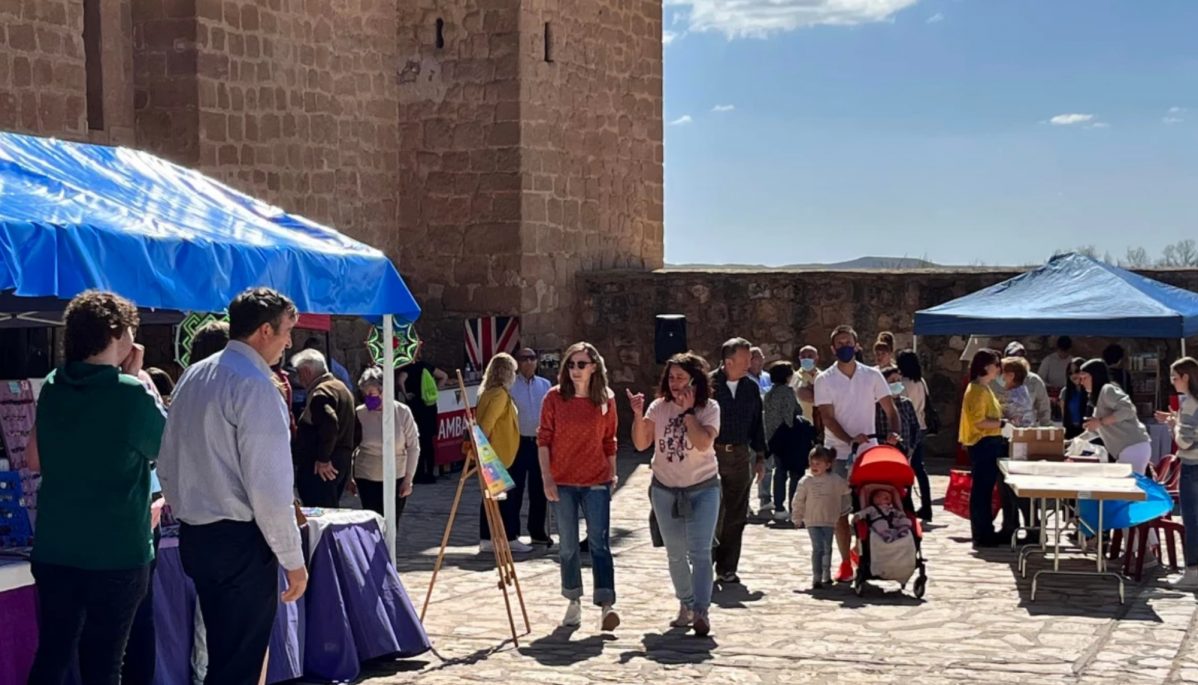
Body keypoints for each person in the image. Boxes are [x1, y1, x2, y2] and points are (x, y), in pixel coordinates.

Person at [159, 287, 308, 685]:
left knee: (224, 660)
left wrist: (188, 505)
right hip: (239, 540)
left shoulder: (195, 374)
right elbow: (270, 486)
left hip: (200, 535)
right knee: (238, 666)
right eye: (286, 332)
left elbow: (168, 462)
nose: (289, 342)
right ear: (263, 330)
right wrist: (293, 560)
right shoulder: (256, 385)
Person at [26, 291, 167, 685]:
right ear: (116, 334)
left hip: (55, 547)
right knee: (105, 664)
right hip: (116, 550)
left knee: (52, 654)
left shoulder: (54, 384)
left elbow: (34, 459)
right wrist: (138, 378)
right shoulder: (130, 392)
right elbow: (167, 448)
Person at [628, 352, 721, 636]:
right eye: (671, 377)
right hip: (665, 489)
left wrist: (689, 412)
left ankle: (701, 610)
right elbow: (642, 443)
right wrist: (637, 414)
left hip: (703, 488)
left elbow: (703, 443)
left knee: (701, 552)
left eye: (681, 377)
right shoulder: (659, 406)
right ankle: (687, 604)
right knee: (676, 554)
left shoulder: (710, 408)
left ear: (696, 379)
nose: (675, 382)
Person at [538, 342, 620, 631]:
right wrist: (547, 477)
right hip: (563, 482)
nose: (575, 370)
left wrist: (612, 473)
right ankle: (573, 600)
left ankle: (606, 604)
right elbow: (544, 439)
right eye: (571, 365)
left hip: (596, 480)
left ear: (594, 367)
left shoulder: (605, 399)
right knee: (568, 546)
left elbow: (609, 439)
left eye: (581, 365)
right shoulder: (554, 398)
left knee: (599, 543)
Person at [814, 325, 900, 582]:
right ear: (833, 349)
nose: (844, 346)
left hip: (869, 452)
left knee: (874, 505)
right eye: (839, 343)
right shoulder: (824, 379)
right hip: (837, 454)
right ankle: (844, 563)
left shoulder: (872, 376)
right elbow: (827, 417)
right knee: (841, 511)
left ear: (857, 345)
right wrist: (850, 439)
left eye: (848, 342)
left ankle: (868, 554)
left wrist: (894, 434)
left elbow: (890, 409)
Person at [709, 338, 767, 585]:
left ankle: (727, 567)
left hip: (741, 455)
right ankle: (704, 561)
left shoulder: (750, 388)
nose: (749, 364)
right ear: (728, 361)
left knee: (736, 513)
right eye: (744, 360)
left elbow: (757, 424)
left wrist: (761, 457)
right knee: (712, 511)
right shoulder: (707, 385)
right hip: (710, 455)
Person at [474, 353, 533, 554]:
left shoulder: (486, 392)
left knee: (492, 497)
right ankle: (508, 537)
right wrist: (487, 451)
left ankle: (487, 537)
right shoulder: (499, 394)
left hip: (495, 453)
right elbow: (487, 424)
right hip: (499, 454)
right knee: (506, 498)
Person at [960, 348, 1018, 548]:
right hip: (984, 443)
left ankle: (986, 531)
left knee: (984, 491)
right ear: (986, 367)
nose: (998, 369)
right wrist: (1002, 424)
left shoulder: (984, 388)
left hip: (990, 442)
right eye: (996, 364)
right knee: (982, 491)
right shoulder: (977, 390)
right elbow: (980, 422)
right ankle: (983, 533)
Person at [350, 366, 420, 521]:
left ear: (384, 391)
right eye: (365, 394)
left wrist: (408, 480)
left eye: (372, 393)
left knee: (392, 524)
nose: (368, 398)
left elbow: (413, 447)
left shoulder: (402, 412)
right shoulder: (360, 413)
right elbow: (351, 445)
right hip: (367, 476)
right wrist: (349, 476)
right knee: (373, 523)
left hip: (396, 477)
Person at [291, 348, 358, 508]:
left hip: (321, 468)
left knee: (321, 513)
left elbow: (330, 423)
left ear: (307, 372)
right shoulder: (342, 389)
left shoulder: (320, 393)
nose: (299, 380)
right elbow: (357, 429)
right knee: (330, 509)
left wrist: (323, 459)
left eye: (299, 374)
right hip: (339, 462)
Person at [1157, 357, 1198, 589]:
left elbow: (1184, 442)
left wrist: (1174, 426)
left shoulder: (1191, 404)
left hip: (1192, 466)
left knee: (1191, 520)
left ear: (1186, 378)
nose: (1172, 382)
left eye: (1175, 377)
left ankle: (1192, 571)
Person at [1078, 360, 1152, 475]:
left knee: (1129, 489)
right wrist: (1070, 442)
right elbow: (1095, 431)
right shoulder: (1099, 397)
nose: (1081, 382)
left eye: (1084, 378)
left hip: (1133, 447)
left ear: (1095, 376)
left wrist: (1101, 421)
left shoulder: (1108, 389)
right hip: (1128, 449)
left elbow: (1128, 410)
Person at [790, 446, 849, 589]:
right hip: (812, 520)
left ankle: (826, 575)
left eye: (818, 464)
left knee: (827, 547)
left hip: (829, 520)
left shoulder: (835, 480)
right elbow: (798, 500)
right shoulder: (806, 481)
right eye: (812, 463)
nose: (814, 467)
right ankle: (817, 576)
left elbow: (847, 490)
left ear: (828, 465)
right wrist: (797, 518)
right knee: (818, 548)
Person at [511, 348, 553, 546]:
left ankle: (537, 531)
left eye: (532, 358)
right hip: (518, 443)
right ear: (517, 362)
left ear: (537, 361)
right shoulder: (510, 386)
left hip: (539, 443)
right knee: (515, 488)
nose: (528, 362)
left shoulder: (545, 385)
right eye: (523, 359)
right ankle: (513, 532)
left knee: (539, 488)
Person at [764, 362, 815, 522]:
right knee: (794, 473)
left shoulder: (769, 393)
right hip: (789, 437)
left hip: (774, 438)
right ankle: (794, 507)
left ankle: (779, 506)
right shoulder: (786, 392)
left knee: (779, 472)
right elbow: (789, 416)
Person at [398, 343, 449, 484]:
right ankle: (430, 473)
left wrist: (405, 394)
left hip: (415, 406)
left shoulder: (407, 368)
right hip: (429, 406)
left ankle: (418, 473)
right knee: (429, 442)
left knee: (416, 440)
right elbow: (444, 376)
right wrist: (434, 391)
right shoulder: (427, 366)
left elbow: (400, 381)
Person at [896, 350, 933, 522]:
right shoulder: (920, 382)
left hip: (909, 428)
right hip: (922, 425)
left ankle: (907, 504)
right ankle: (926, 504)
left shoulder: (903, 385)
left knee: (907, 467)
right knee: (919, 468)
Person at [997, 342, 1052, 426]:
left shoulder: (1034, 380)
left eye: (1020, 356)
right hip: (1001, 430)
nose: (1017, 360)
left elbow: (1043, 407)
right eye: (1013, 356)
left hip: (1027, 430)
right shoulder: (996, 380)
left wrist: (1046, 426)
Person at [999, 357, 1035, 427]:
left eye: (1001, 372)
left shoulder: (1012, 396)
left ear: (1011, 376)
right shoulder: (1022, 390)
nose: (999, 375)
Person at [1061, 357, 1090, 439]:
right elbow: (1064, 416)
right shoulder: (1065, 392)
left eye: (1077, 371)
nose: (1073, 375)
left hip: (1088, 431)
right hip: (1070, 432)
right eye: (1070, 373)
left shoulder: (1091, 391)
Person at [791, 345, 820, 422]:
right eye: (803, 357)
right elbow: (802, 395)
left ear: (816, 359)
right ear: (799, 359)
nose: (806, 359)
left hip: (822, 425)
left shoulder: (824, 377)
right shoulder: (793, 378)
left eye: (810, 356)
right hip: (803, 425)